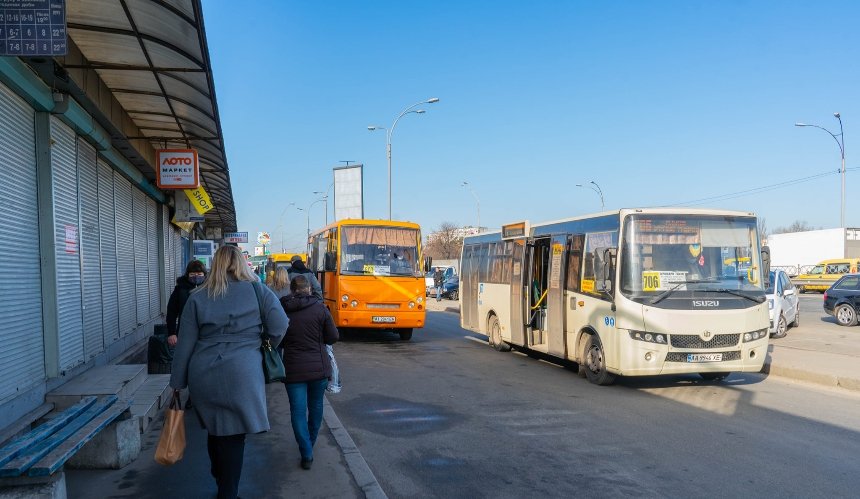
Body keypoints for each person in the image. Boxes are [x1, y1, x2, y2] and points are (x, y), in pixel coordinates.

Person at [170, 245, 289, 499]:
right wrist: (264, 344)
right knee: (233, 436)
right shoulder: (259, 291)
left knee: (216, 429)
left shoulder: (198, 296)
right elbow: (281, 325)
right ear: (242, 264)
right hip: (243, 373)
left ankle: (220, 477)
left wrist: (177, 382)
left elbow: (185, 342)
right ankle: (228, 492)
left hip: (204, 373)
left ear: (215, 265)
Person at [279, 274, 339, 470]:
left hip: (293, 369)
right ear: (310, 290)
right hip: (318, 369)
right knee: (316, 407)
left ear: (292, 290)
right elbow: (332, 337)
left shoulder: (282, 309)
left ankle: (306, 452)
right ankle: (309, 445)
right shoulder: (320, 309)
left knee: (297, 411)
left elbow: (276, 338)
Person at [165, 260, 207, 348]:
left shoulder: (210, 289)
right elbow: (171, 312)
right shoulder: (180, 290)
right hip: (185, 331)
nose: (196, 277)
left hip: (207, 331)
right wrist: (172, 333)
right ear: (187, 275)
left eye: (199, 274)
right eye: (192, 274)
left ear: (204, 275)